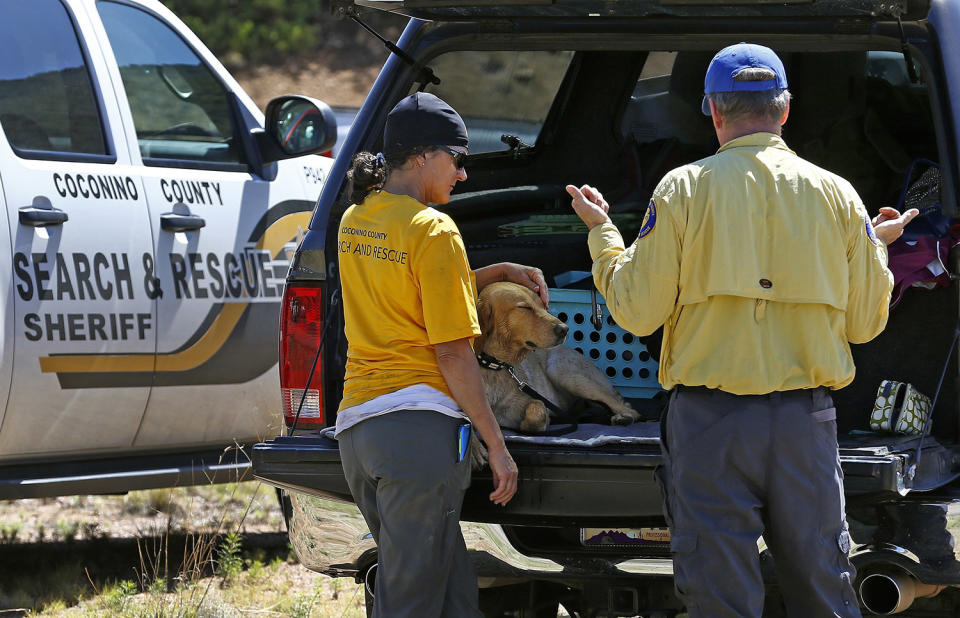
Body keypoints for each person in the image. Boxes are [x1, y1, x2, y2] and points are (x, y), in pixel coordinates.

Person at [566, 43, 919, 617]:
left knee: (718, 594)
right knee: (825, 590)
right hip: (804, 424)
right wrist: (874, 250)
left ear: (711, 110)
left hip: (709, 425)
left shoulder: (681, 189)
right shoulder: (839, 195)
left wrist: (604, 235)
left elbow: (635, 312)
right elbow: (863, 324)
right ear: (784, 110)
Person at [334, 92, 546, 618]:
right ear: (424, 156)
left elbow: (414, 295)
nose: (464, 174)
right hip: (418, 440)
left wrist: (495, 272)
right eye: (459, 159)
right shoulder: (434, 229)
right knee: (409, 605)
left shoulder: (356, 219)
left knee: (451, 596)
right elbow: (452, 351)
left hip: (360, 433)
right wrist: (497, 445)